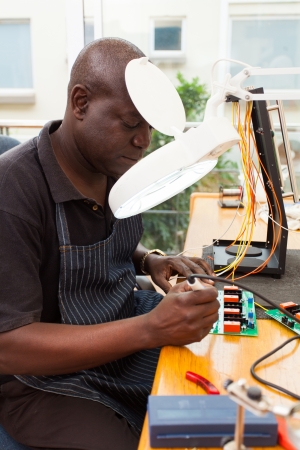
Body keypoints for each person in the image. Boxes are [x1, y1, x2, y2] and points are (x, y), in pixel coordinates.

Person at [0, 38, 219, 450]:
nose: (144, 141)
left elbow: (95, 240)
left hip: (122, 333)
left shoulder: (115, 167)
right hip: (46, 382)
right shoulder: (14, 192)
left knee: (221, 392)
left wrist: (150, 259)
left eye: (150, 127)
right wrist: (150, 328)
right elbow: (8, 347)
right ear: (80, 103)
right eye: (132, 123)